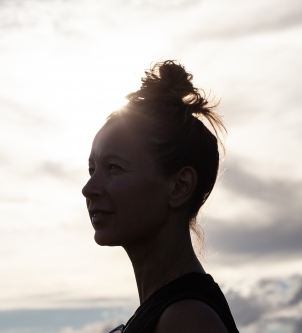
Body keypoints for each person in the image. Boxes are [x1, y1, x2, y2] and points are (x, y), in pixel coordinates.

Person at [82, 60, 239, 333]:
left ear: (179, 186)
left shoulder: (187, 321)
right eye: (92, 169)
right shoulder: (169, 313)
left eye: (113, 168)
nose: (89, 188)